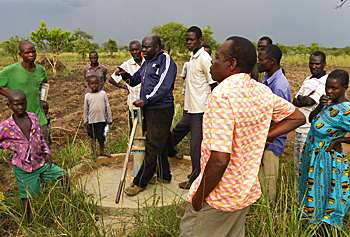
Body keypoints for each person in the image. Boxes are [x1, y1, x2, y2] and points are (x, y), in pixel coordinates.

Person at [179, 36, 305, 237]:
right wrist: (262, 135)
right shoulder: (261, 91)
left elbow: (220, 159)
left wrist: (198, 198)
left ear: (232, 64)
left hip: (218, 196)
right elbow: (297, 117)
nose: (212, 60)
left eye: (217, 57)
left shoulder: (222, 96)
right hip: (244, 191)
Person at [116, 34, 177, 196]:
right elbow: (135, 80)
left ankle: (140, 181)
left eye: (146, 47)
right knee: (160, 143)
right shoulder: (147, 62)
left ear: (157, 47)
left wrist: (146, 100)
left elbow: (164, 85)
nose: (143, 50)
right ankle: (164, 175)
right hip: (150, 108)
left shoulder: (165, 60)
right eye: (142, 47)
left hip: (161, 109)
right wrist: (125, 75)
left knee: (152, 145)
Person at [0, 89, 68, 224]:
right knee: (26, 197)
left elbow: (41, 138)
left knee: (64, 176)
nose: (20, 107)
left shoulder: (33, 117)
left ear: (26, 103)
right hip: (23, 167)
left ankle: (67, 204)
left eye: (23, 103)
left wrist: (47, 152)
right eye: (16, 105)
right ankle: (29, 224)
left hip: (40, 162)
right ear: (9, 105)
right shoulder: (6, 126)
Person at [299, 69, 350, 233]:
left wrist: (338, 140)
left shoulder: (345, 110)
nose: (329, 91)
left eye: (334, 88)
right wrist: (320, 105)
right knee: (312, 192)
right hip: (313, 157)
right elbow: (311, 119)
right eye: (327, 86)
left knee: (326, 197)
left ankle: (324, 231)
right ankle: (311, 227)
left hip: (328, 161)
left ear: (345, 88)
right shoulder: (327, 102)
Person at [170, 26, 217, 189]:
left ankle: (195, 179)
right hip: (191, 109)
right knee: (175, 133)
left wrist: (212, 109)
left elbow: (214, 84)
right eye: (187, 40)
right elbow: (190, 86)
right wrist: (186, 107)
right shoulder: (192, 57)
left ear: (200, 40)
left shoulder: (204, 58)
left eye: (192, 40)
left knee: (195, 146)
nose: (188, 42)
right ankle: (169, 152)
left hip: (201, 110)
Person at [257, 44, 292, 203]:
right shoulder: (267, 78)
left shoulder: (279, 85)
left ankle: (267, 218)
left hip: (271, 142)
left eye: (261, 60)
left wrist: (266, 139)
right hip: (264, 139)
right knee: (261, 181)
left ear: (272, 61)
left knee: (268, 183)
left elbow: (280, 118)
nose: (258, 62)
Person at [0, 41, 49, 141]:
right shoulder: (10, 71)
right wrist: (10, 95)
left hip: (39, 117)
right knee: (24, 150)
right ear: (20, 55)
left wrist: (42, 99)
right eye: (27, 53)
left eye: (33, 52)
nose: (31, 55)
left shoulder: (41, 70)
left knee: (44, 148)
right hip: (21, 118)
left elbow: (44, 84)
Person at [292, 51, 327, 188]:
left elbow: (308, 100)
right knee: (297, 167)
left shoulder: (325, 81)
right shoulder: (308, 79)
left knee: (308, 167)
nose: (314, 66)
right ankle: (298, 200)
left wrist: (304, 99)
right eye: (311, 63)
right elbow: (295, 100)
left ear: (324, 64)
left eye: (317, 63)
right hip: (299, 127)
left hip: (310, 130)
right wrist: (304, 100)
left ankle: (308, 202)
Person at [109, 40, 145, 132]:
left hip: (147, 102)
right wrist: (124, 87)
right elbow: (111, 79)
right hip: (134, 102)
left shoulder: (147, 62)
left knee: (147, 129)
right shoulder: (126, 65)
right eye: (132, 50)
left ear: (140, 49)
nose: (134, 52)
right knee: (134, 130)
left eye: (136, 49)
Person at [84, 75, 113, 160]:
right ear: (88, 85)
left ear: (99, 84)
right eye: (92, 84)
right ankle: (94, 153)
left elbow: (107, 106)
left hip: (102, 119)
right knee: (92, 137)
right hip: (92, 120)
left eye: (96, 83)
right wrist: (86, 121)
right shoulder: (87, 96)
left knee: (101, 136)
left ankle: (102, 151)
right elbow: (85, 110)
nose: (94, 85)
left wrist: (109, 119)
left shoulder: (103, 94)